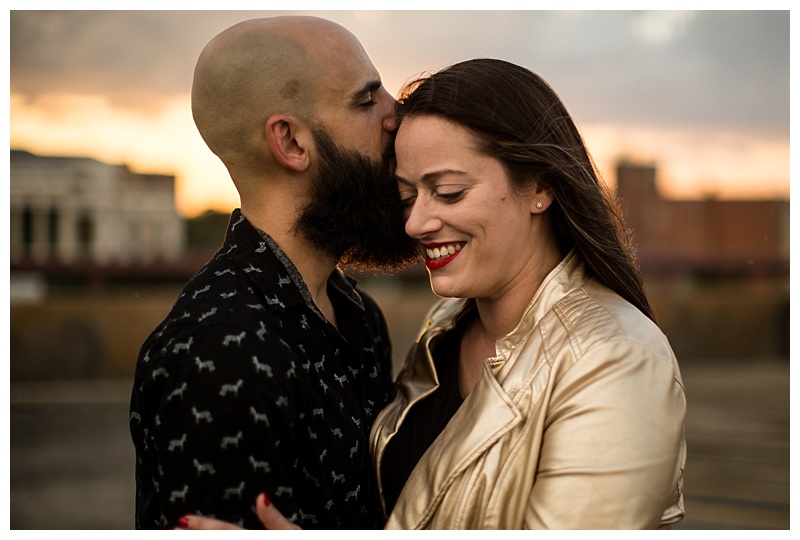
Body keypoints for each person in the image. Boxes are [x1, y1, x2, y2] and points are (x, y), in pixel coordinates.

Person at [181, 58, 687, 530]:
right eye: (406, 197)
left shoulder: (617, 360)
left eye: (448, 193)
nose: (418, 222)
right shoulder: (443, 330)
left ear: (540, 186)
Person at [129, 16, 418, 530]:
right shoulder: (221, 353)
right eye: (366, 99)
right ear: (291, 142)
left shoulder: (358, 316)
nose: (398, 115)